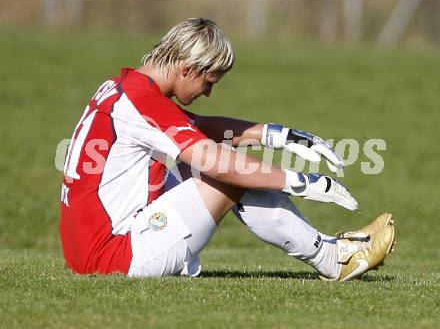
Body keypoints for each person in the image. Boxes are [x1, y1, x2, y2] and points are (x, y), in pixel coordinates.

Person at [60, 17, 395, 281]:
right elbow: (217, 162)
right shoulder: (143, 100)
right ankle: (334, 259)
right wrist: (301, 181)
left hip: (93, 248)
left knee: (211, 166)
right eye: (209, 82)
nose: (208, 92)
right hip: (113, 256)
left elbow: (197, 126)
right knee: (229, 174)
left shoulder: (126, 87)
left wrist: (278, 135)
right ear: (187, 69)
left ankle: (332, 250)